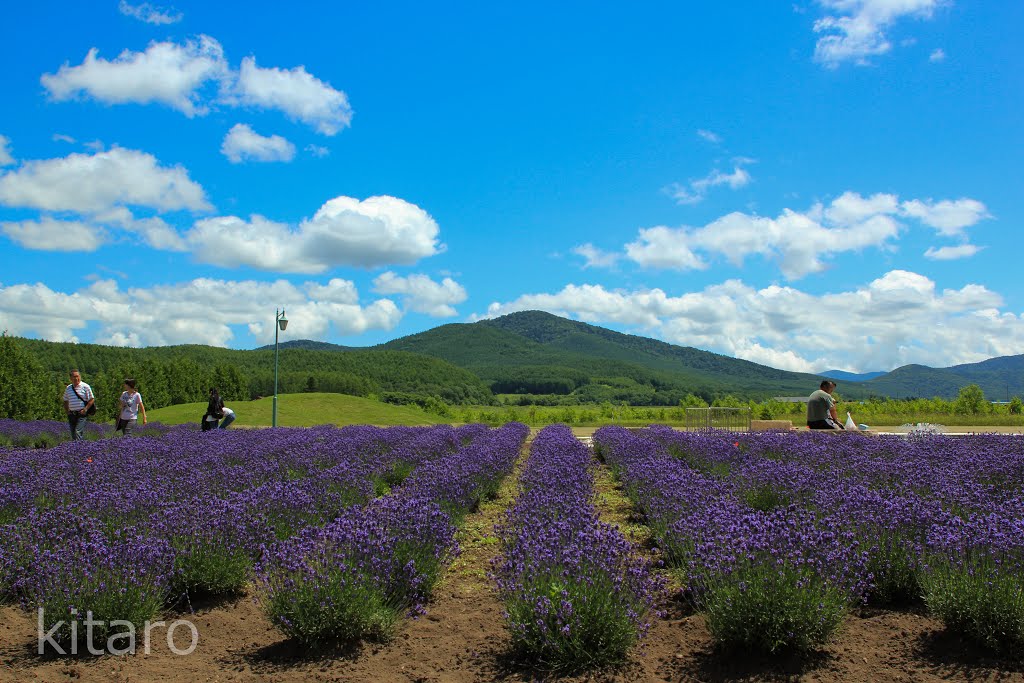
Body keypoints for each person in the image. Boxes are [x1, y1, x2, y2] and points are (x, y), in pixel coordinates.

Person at [62, 369, 95, 441]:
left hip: (81, 413)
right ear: (70, 378)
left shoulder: (85, 386)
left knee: (78, 432)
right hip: (72, 414)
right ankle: (77, 448)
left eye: (77, 376)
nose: (76, 378)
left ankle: (78, 448)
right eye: (74, 376)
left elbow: (91, 399)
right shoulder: (68, 388)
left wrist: (85, 409)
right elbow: (65, 400)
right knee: (73, 433)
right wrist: (67, 411)